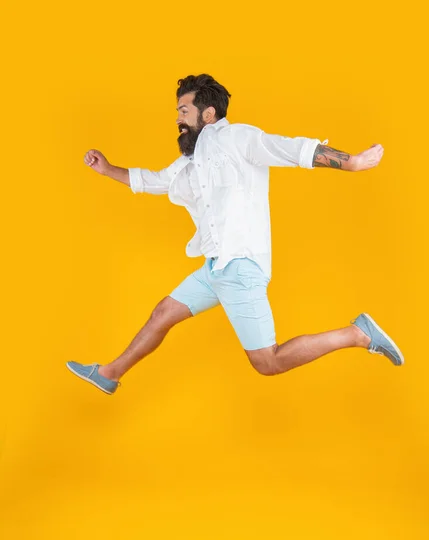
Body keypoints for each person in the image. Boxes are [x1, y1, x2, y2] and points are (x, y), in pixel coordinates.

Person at [67, 73, 404, 395]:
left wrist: (352, 162)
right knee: (163, 313)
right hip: (216, 268)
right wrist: (108, 169)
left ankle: (357, 334)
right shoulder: (190, 161)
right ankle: (109, 374)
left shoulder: (236, 138)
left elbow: (291, 149)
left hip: (241, 267)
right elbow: (155, 180)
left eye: (183, 111)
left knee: (268, 362)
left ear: (208, 114)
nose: (178, 119)